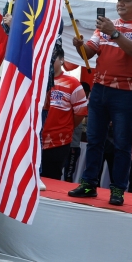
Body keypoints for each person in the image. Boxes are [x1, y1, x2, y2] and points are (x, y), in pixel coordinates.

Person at [69, 0, 132, 206]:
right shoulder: (106, 27)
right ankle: (89, 183)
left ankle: (118, 189)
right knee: (94, 140)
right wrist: (79, 45)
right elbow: (89, 52)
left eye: (127, 0)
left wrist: (115, 33)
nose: (121, 3)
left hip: (127, 93)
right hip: (100, 89)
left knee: (121, 143)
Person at [40, 50, 87, 180]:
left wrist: (65, 127)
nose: (49, 62)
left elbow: (80, 113)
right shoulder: (36, 80)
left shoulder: (73, 84)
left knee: (51, 179)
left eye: (52, 58)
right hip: (34, 141)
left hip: (58, 143)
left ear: (61, 60)